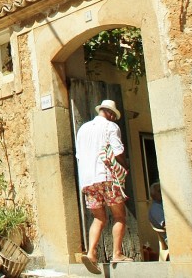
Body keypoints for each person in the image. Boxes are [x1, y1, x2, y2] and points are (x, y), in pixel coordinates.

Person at [75, 99, 132, 273]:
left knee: (99, 218)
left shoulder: (83, 129)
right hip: (107, 176)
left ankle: (91, 253)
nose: (114, 119)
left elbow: (79, 155)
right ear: (111, 114)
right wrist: (125, 166)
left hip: (88, 180)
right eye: (114, 116)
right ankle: (117, 253)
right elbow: (118, 151)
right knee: (119, 216)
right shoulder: (111, 127)